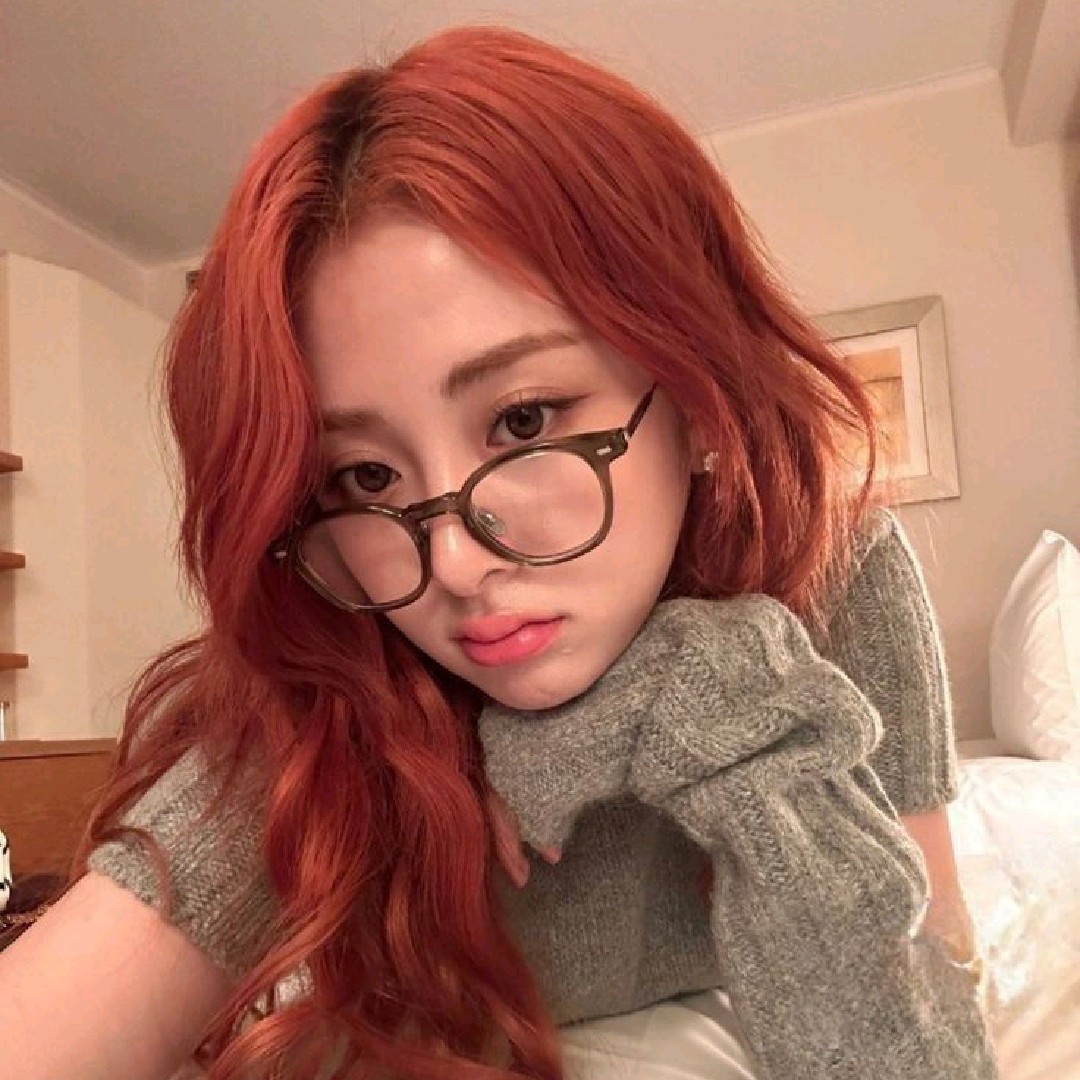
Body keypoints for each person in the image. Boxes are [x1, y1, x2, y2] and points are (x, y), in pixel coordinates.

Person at [0, 24, 997, 1080]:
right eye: (365, 478)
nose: (456, 566)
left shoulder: (837, 571)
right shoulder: (329, 682)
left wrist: (715, 699)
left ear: (698, 393)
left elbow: (916, 1032)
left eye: (523, 421)